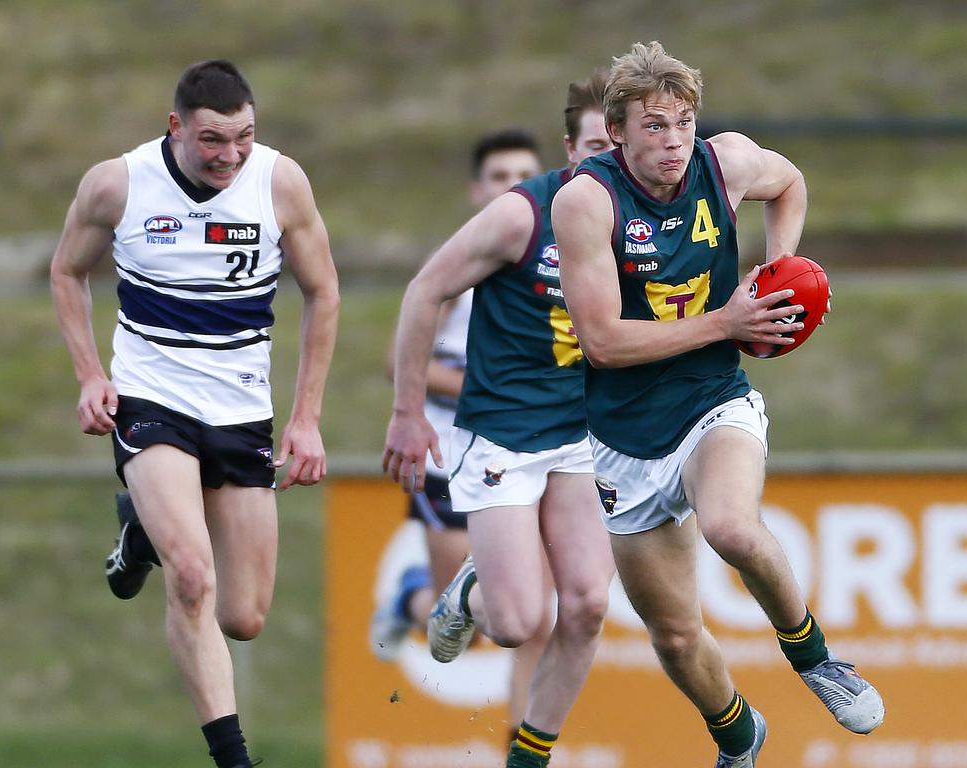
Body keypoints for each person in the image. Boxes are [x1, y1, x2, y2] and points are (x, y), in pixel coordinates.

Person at [551, 42, 884, 767]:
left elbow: (790, 182)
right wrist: (727, 322)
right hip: (621, 438)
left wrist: (778, 263)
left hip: (713, 401)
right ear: (616, 132)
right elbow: (603, 342)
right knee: (673, 635)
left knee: (731, 527)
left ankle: (817, 658)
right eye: (654, 127)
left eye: (684, 123)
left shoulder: (722, 161)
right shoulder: (585, 200)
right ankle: (738, 733)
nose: (674, 143)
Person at [50, 60, 340, 768]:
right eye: (214, 140)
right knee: (193, 577)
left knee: (243, 615)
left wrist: (305, 418)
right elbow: (66, 270)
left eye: (244, 137)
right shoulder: (117, 183)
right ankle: (234, 759)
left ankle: (139, 530)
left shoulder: (279, 182)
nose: (230, 156)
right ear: (176, 126)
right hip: (152, 398)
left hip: (240, 409)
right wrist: (91, 376)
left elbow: (323, 292)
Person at [382, 72, 615, 768]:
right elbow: (424, 290)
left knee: (588, 605)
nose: (613, 159)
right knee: (516, 623)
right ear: (570, 149)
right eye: (598, 144)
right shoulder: (522, 216)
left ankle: (529, 754)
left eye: (622, 144)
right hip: (502, 437)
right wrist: (403, 414)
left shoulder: (641, 218)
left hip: (581, 438)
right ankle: (466, 589)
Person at [369, 128, 554, 734]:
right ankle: (407, 601)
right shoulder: (462, 267)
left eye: (525, 173)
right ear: (479, 190)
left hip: (531, 455)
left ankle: (521, 751)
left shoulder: (554, 264)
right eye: (500, 176)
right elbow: (406, 363)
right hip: (453, 456)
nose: (514, 185)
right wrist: (488, 381)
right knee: (466, 622)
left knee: (538, 621)